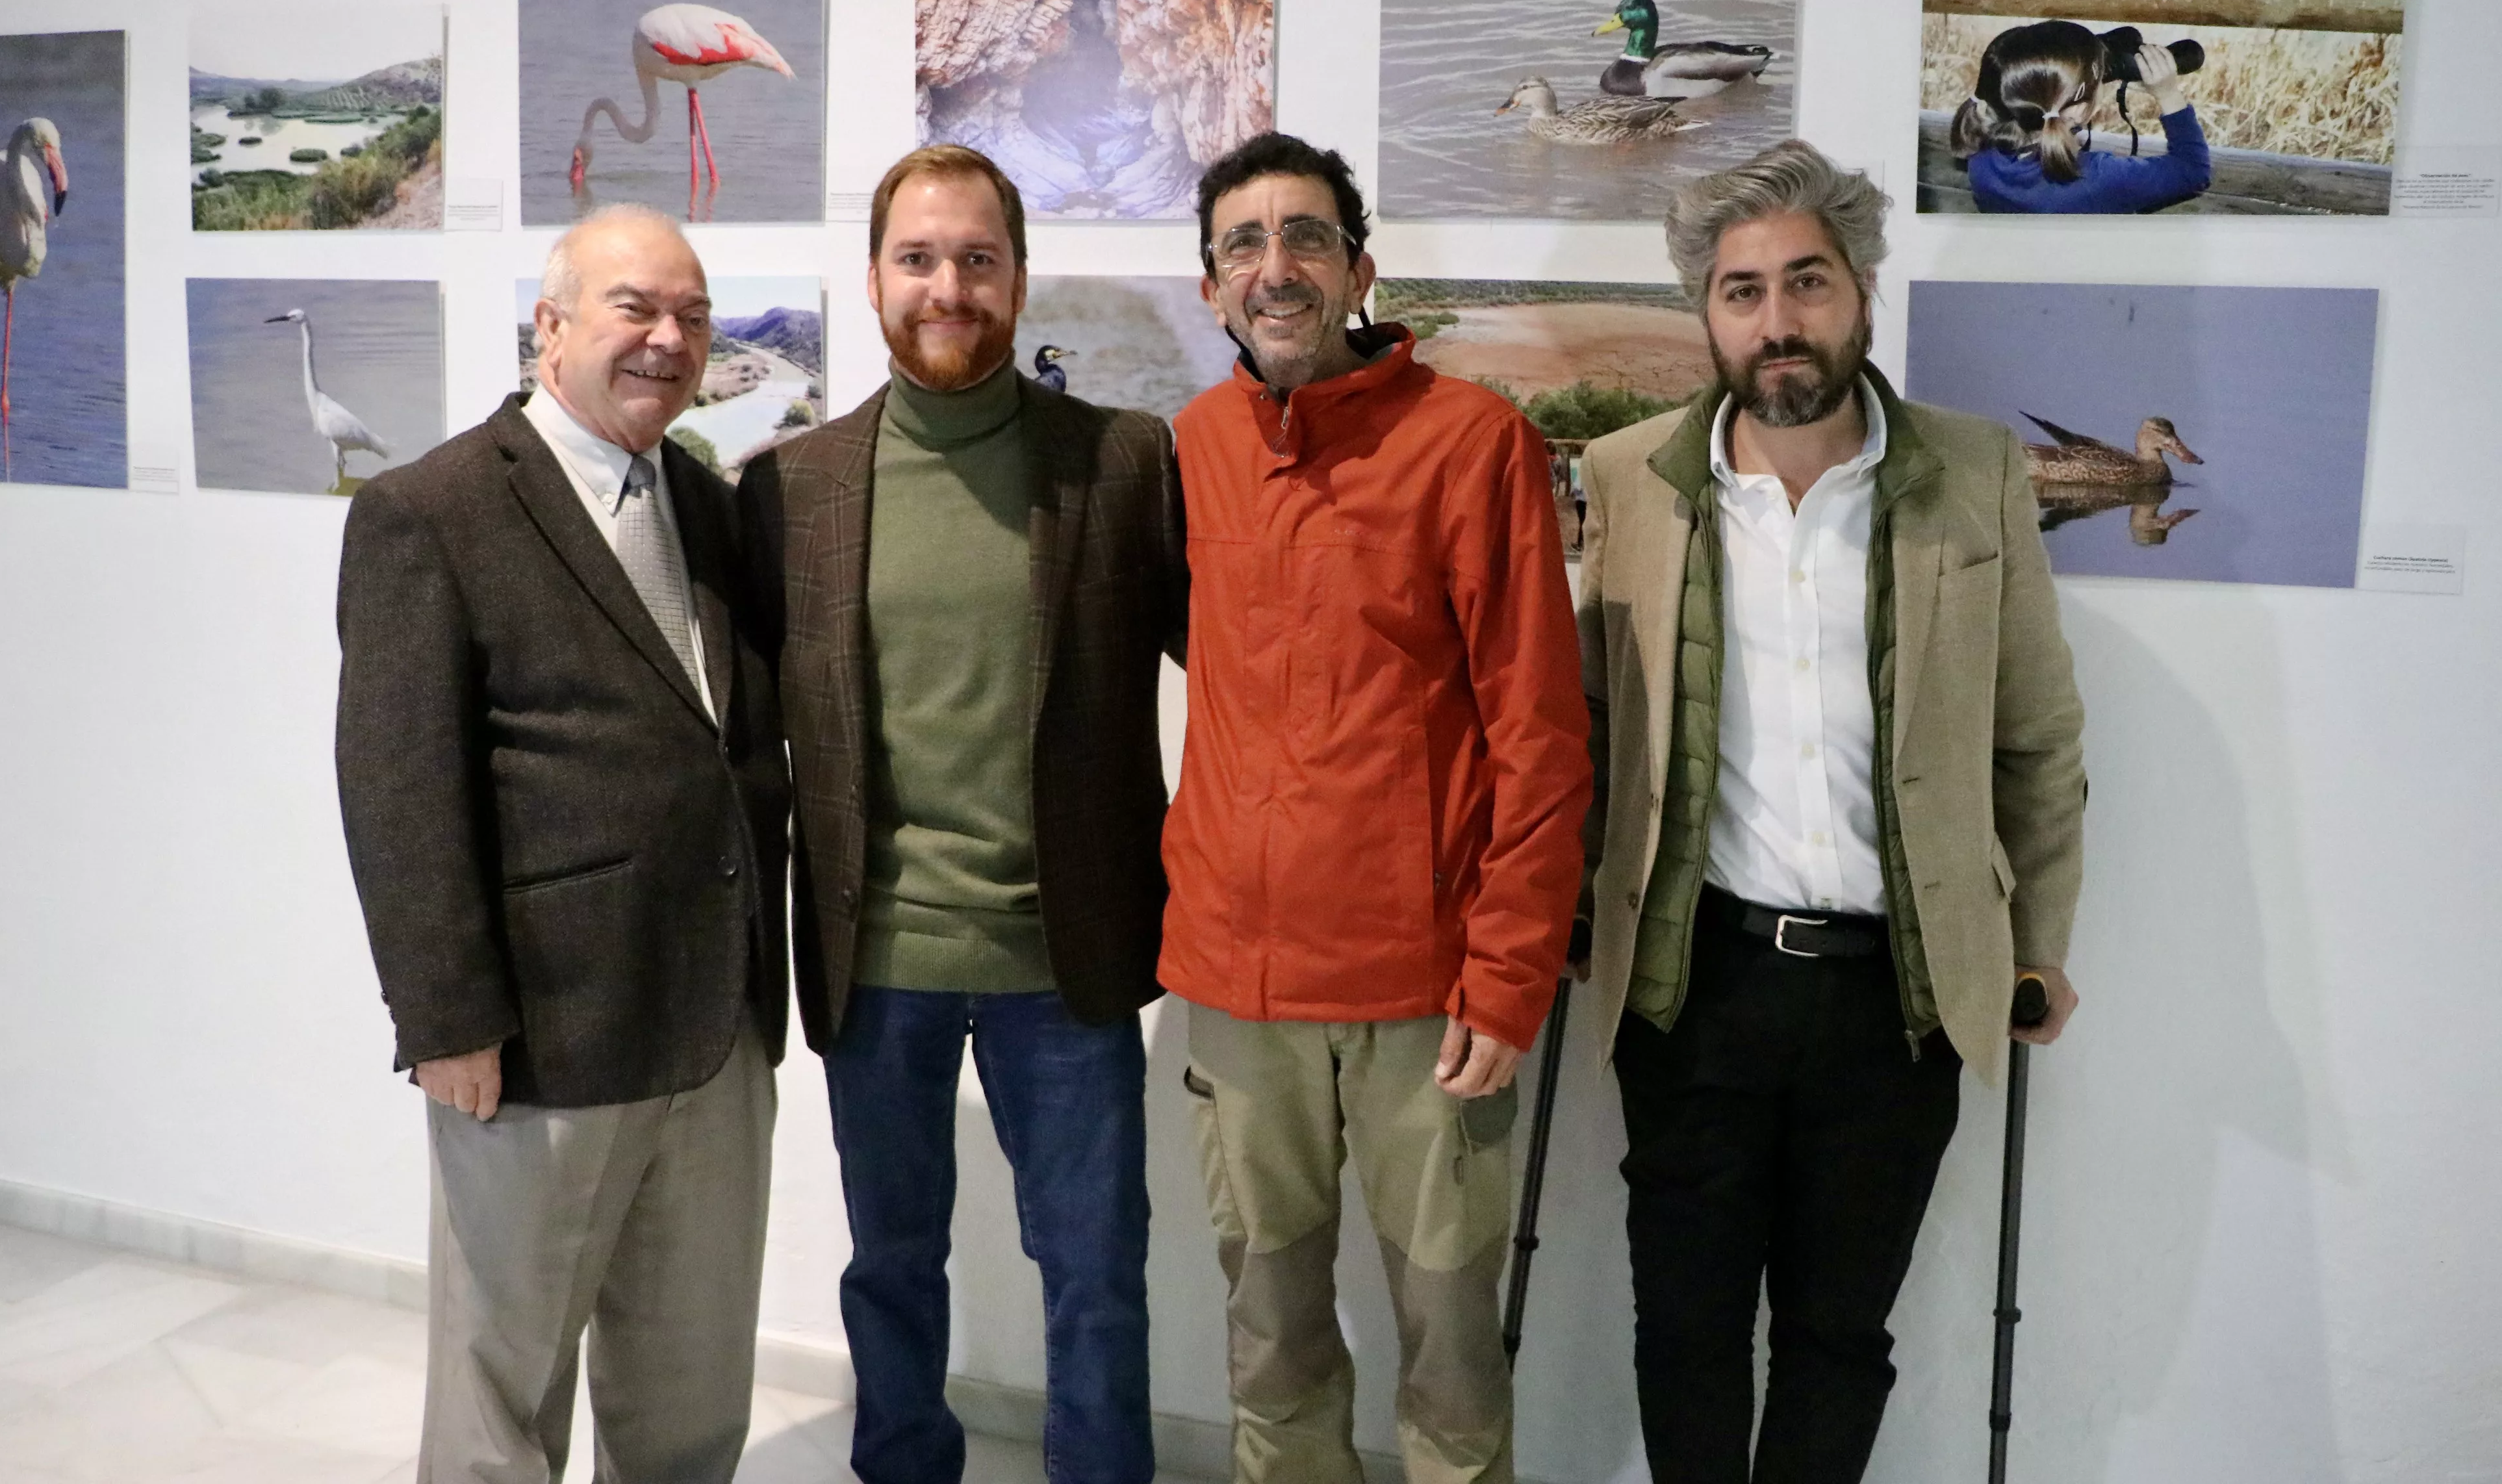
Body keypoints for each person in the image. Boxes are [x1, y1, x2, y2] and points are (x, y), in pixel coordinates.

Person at [1576, 140, 2088, 1483]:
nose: (1778, 320)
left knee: (1838, 1330)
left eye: (1806, 281)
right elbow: (1579, 728)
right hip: (1696, 982)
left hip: (1895, 995)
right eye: (1742, 290)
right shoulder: (1632, 478)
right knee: (1683, 1323)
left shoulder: (1973, 475)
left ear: (1860, 289)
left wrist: (2039, 939)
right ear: (1708, 310)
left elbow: (2036, 738)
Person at [735, 145, 1185, 1484]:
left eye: (977, 259)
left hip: (1069, 962)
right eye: (920, 258)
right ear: (874, 278)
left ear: (1020, 278)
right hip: (878, 965)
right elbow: (743, 739)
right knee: (889, 1267)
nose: (949, 286)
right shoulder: (790, 487)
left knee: (1097, 1273)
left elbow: (1245, 666)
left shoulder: (1121, 462)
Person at [335, 205, 791, 1483]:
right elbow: (395, 784)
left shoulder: (704, 497)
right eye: (635, 308)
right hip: (540, 1036)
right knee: (500, 1406)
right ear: (552, 325)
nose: (667, 339)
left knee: (692, 1399)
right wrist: (444, 1016)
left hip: (715, 1025)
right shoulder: (429, 510)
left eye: (692, 318)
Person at [1162, 133, 1591, 1484]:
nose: (1275, 267)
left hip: (1425, 998)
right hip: (1237, 996)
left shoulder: (1474, 444)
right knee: (1269, 1343)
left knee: (1452, 1358)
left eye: (1305, 238)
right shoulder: (1190, 449)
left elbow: (1540, 729)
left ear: (1359, 266)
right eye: (1245, 243)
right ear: (1210, 284)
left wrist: (1511, 970)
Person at [1950, 18, 2212, 213]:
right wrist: (2167, 95)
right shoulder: (2099, 177)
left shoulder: (1981, 158)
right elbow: (2193, 170)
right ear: (2076, 112)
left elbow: (2049, 117)